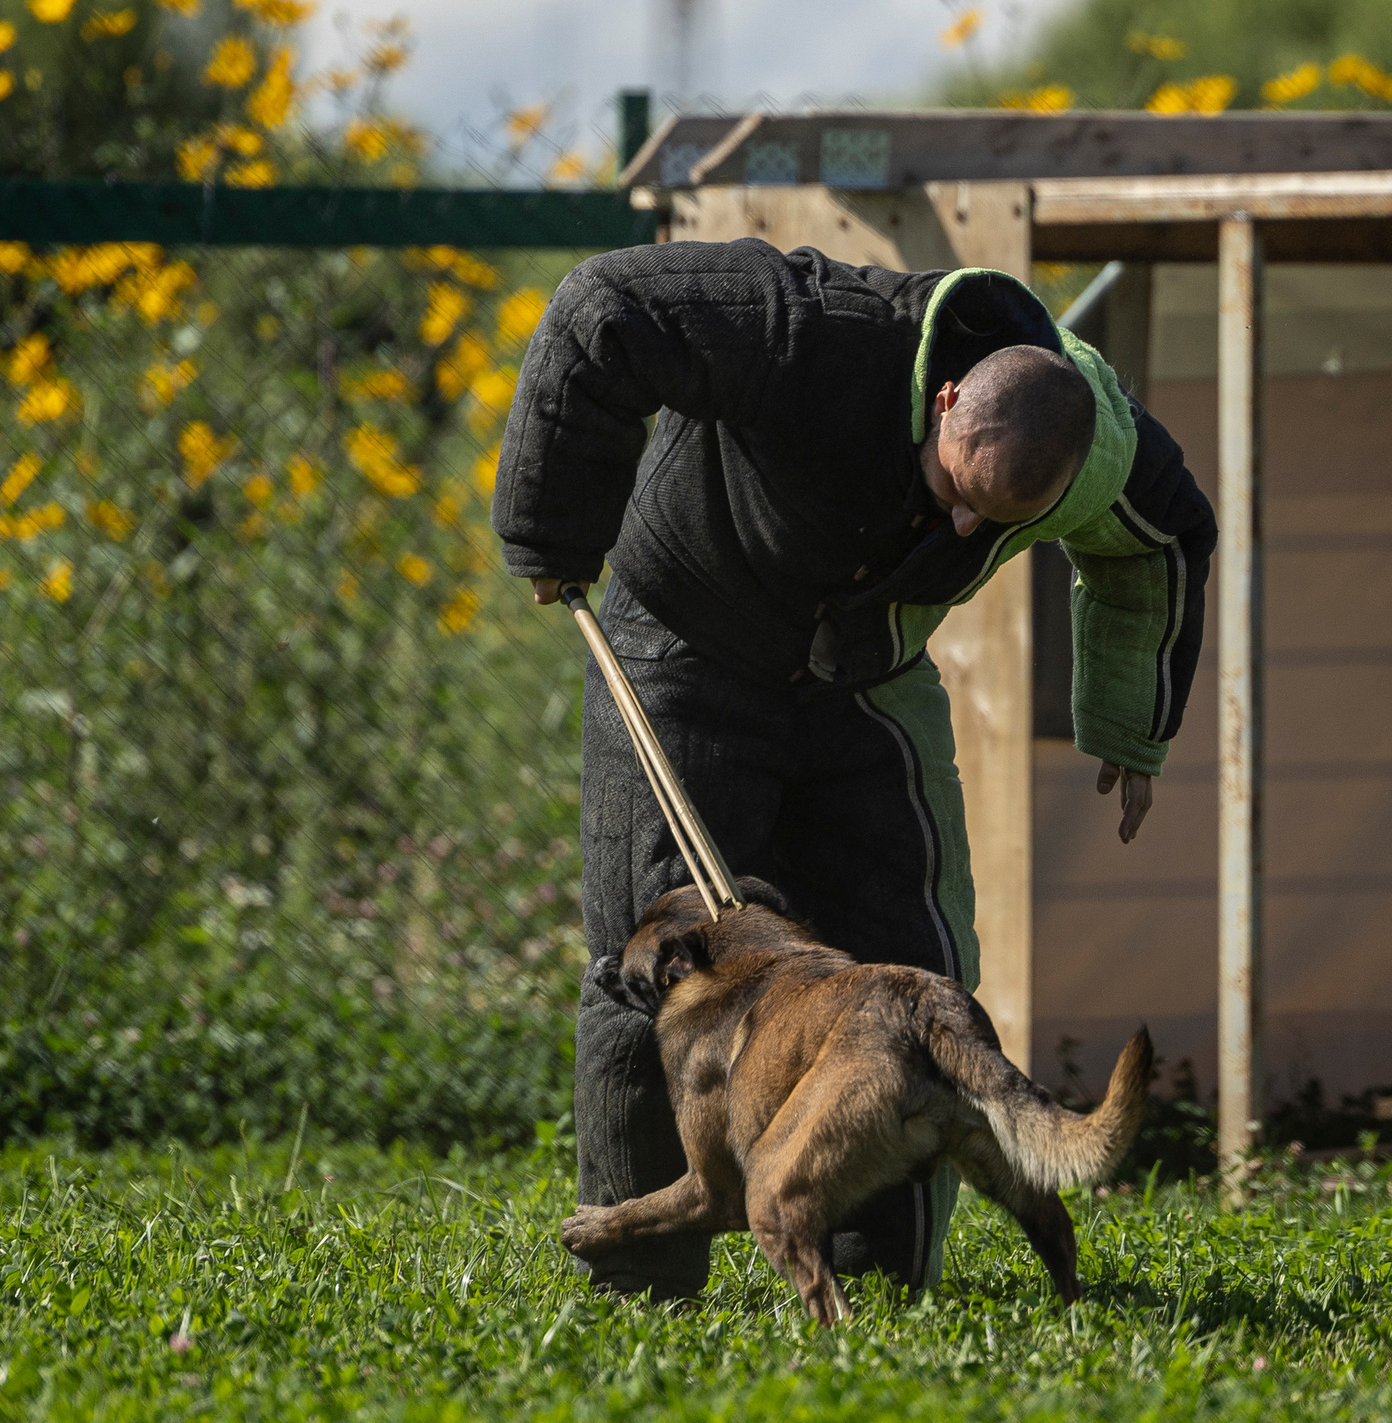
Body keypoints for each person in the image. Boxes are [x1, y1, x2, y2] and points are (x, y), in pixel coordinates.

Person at [492, 238, 1215, 1302]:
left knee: (909, 962)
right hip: (684, 635)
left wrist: (1128, 726)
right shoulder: (806, 330)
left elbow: (1162, 543)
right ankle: (642, 1281)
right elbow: (602, 305)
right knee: (657, 961)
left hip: (865, 670)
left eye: (997, 521)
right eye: (957, 491)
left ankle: (886, 1271)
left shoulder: (1097, 445)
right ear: (944, 396)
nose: (964, 524)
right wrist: (551, 527)